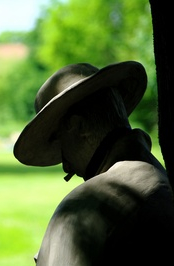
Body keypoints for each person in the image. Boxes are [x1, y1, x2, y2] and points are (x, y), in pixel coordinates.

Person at [13, 61, 174, 265]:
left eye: (61, 143)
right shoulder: (163, 181)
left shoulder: (84, 209)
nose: (66, 166)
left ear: (78, 126)